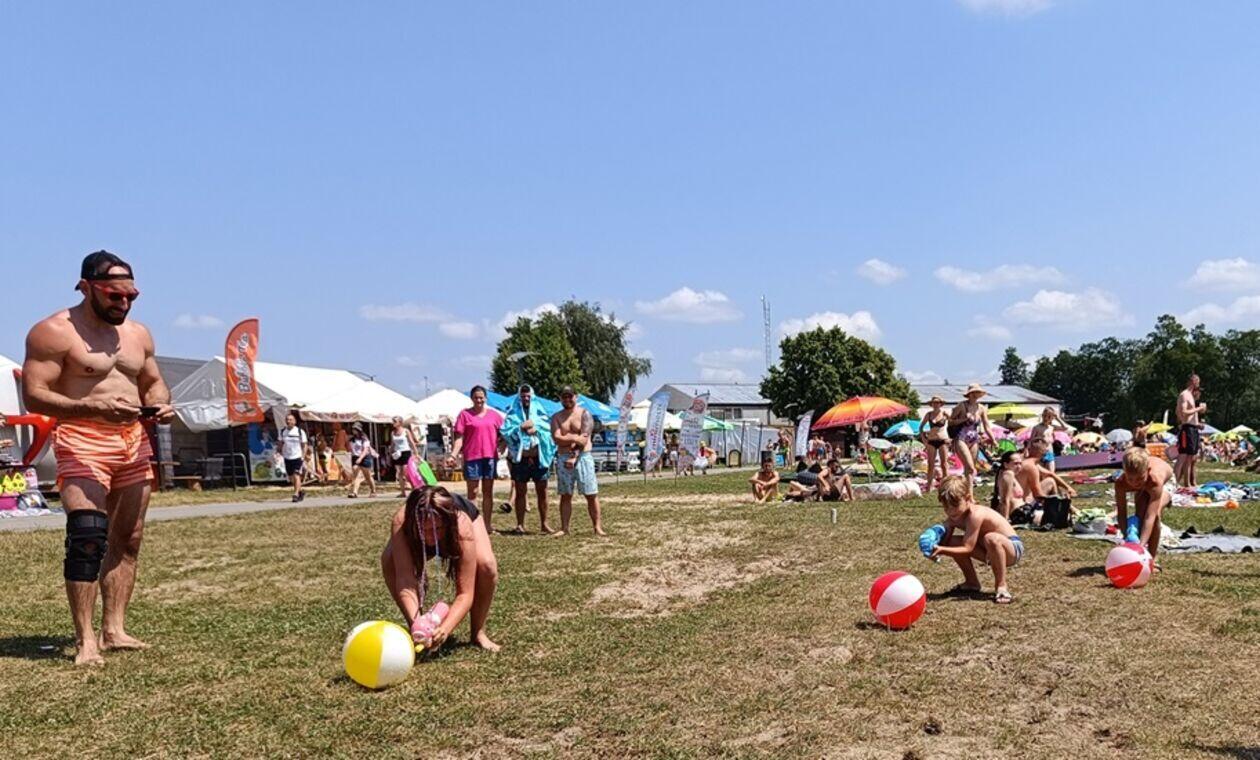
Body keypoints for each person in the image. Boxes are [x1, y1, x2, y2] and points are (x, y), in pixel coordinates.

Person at [21, 251, 174, 665]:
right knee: (88, 536)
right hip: (82, 439)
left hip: (132, 441)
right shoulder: (53, 332)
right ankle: (85, 639)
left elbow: (153, 381)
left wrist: (160, 402)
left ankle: (114, 630)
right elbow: (34, 395)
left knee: (129, 539)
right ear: (86, 287)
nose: (123, 304)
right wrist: (92, 408)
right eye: (113, 296)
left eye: (130, 297)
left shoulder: (138, 334)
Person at [380, 485, 500, 652]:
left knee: (487, 566)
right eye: (424, 530)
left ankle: (478, 633)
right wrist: (418, 625)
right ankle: (417, 627)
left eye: (436, 529)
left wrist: (445, 629)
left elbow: (465, 593)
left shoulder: (461, 524)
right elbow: (405, 580)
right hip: (416, 530)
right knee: (389, 561)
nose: (430, 536)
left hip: (459, 527)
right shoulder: (402, 521)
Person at [930, 475, 1023, 604]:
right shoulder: (954, 517)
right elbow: (945, 542)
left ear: (967, 499)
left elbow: (967, 548)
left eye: (955, 506)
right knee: (952, 542)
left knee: (991, 538)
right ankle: (971, 583)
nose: (950, 512)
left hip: (1011, 549)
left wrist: (941, 549)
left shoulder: (975, 514)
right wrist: (932, 547)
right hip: (987, 550)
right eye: (946, 507)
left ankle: (1001, 586)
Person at [550, 386, 605, 537]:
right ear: (560, 398)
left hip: (583, 458)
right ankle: (564, 528)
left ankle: (597, 527)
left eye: (570, 396)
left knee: (591, 494)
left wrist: (573, 455)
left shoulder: (584, 414)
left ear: (576, 396)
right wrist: (575, 437)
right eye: (564, 397)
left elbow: (584, 438)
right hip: (563, 458)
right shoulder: (556, 417)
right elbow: (557, 438)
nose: (567, 399)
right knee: (565, 494)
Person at [500, 385, 555, 534]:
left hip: (538, 458)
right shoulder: (513, 413)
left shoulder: (540, 412)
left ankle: (544, 524)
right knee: (520, 491)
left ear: (532, 396)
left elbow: (548, 431)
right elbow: (505, 432)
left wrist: (537, 430)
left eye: (528, 396)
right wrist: (519, 428)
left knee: (542, 491)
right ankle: (520, 525)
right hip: (521, 459)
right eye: (523, 396)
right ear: (519, 397)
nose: (526, 399)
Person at [448, 385, 504, 533]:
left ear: (485, 398)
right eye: (476, 397)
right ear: (471, 398)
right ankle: (473, 525)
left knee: (488, 492)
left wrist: (502, 447)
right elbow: (459, 438)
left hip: (490, 457)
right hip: (472, 457)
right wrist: (453, 454)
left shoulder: (494, 415)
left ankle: (487, 525)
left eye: (481, 397)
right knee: (472, 492)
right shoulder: (464, 415)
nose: (479, 400)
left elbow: (505, 434)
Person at [1115, 447, 1173, 571]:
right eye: (1130, 479)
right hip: (1146, 485)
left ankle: (1151, 558)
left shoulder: (1155, 481)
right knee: (1139, 515)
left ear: (1148, 470)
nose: (1135, 483)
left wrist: (1140, 546)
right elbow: (1121, 512)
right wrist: (1127, 539)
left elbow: (1150, 517)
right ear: (1124, 472)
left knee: (1155, 514)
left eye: (1139, 478)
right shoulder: (1121, 483)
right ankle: (1140, 552)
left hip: (1165, 483)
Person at [947, 384, 995, 499]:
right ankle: (965, 493)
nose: (976, 395)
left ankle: (969, 496)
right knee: (970, 467)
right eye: (974, 392)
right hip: (961, 437)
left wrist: (993, 439)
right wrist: (964, 419)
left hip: (974, 439)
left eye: (978, 392)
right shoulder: (961, 406)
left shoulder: (981, 408)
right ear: (970, 394)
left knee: (970, 470)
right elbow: (950, 422)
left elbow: (987, 426)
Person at [1175, 374, 1207, 487]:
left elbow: (1187, 415)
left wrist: (1197, 425)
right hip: (1187, 429)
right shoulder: (1184, 395)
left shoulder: (1190, 396)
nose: (1198, 383)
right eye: (1197, 381)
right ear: (1192, 381)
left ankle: (1187, 483)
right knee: (1183, 457)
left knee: (1190, 458)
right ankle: (1174, 483)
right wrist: (1198, 408)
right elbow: (1183, 412)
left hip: (1193, 429)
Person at [919, 396, 952, 492]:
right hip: (931, 440)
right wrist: (924, 439)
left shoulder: (945, 413)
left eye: (937, 402)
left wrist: (951, 437)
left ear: (941, 404)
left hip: (943, 440)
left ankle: (946, 487)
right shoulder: (929, 414)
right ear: (932, 404)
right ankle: (929, 487)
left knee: (944, 464)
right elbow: (921, 427)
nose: (936, 404)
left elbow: (953, 423)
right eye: (934, 403)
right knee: (930, 464)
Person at [388, 416, 422, 498]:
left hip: (405, 452)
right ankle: (403, 492)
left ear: (400, 422)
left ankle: (414, 488)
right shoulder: (392, 433)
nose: (393, 423)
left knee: (405, 473)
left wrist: (416, 453)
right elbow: (392, 444)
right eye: (393, 421)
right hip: (397, 453)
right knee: (399, 473)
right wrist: (390, 454)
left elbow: (411, 442)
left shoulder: (406, 431)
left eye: (395, 421)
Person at [278, 411, 308, 503]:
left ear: (294, 421)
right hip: (287, 456)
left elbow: (304, 445)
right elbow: (280, 443)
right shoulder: (283, 431)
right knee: (291, 477)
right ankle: (300, 491)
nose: (289, 421)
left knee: (296, 475)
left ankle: (295, 494)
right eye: (287, 420)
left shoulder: (300, 431)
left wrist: (303, 456)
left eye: (291, 420)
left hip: (297, 456)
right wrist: (278, 452)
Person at [1028, 407, 1069, 472]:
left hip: (1049, 451)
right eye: (1045, 416)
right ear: (1042, 416)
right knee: (1040, 472)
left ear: (1052, 418)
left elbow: (1065, 428)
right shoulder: (1036, 427)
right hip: (1039, 453)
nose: (1046, 418)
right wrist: (1028, 450)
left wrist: (1058, 418)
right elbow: (1031, 440)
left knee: (1051, 471)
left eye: (1049, 417)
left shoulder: (1052, 427)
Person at [347, 424, 378, 498]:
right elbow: (350, 449)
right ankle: (354, 492)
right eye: (353, 429)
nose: (353, 431)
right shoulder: (351, 439)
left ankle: (373, 490)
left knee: (368, 476)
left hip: (364, 458)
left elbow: (365, 450)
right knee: (356, 474)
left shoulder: (364, 439)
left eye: (355, 429)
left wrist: (360, 458)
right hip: (355, 457)